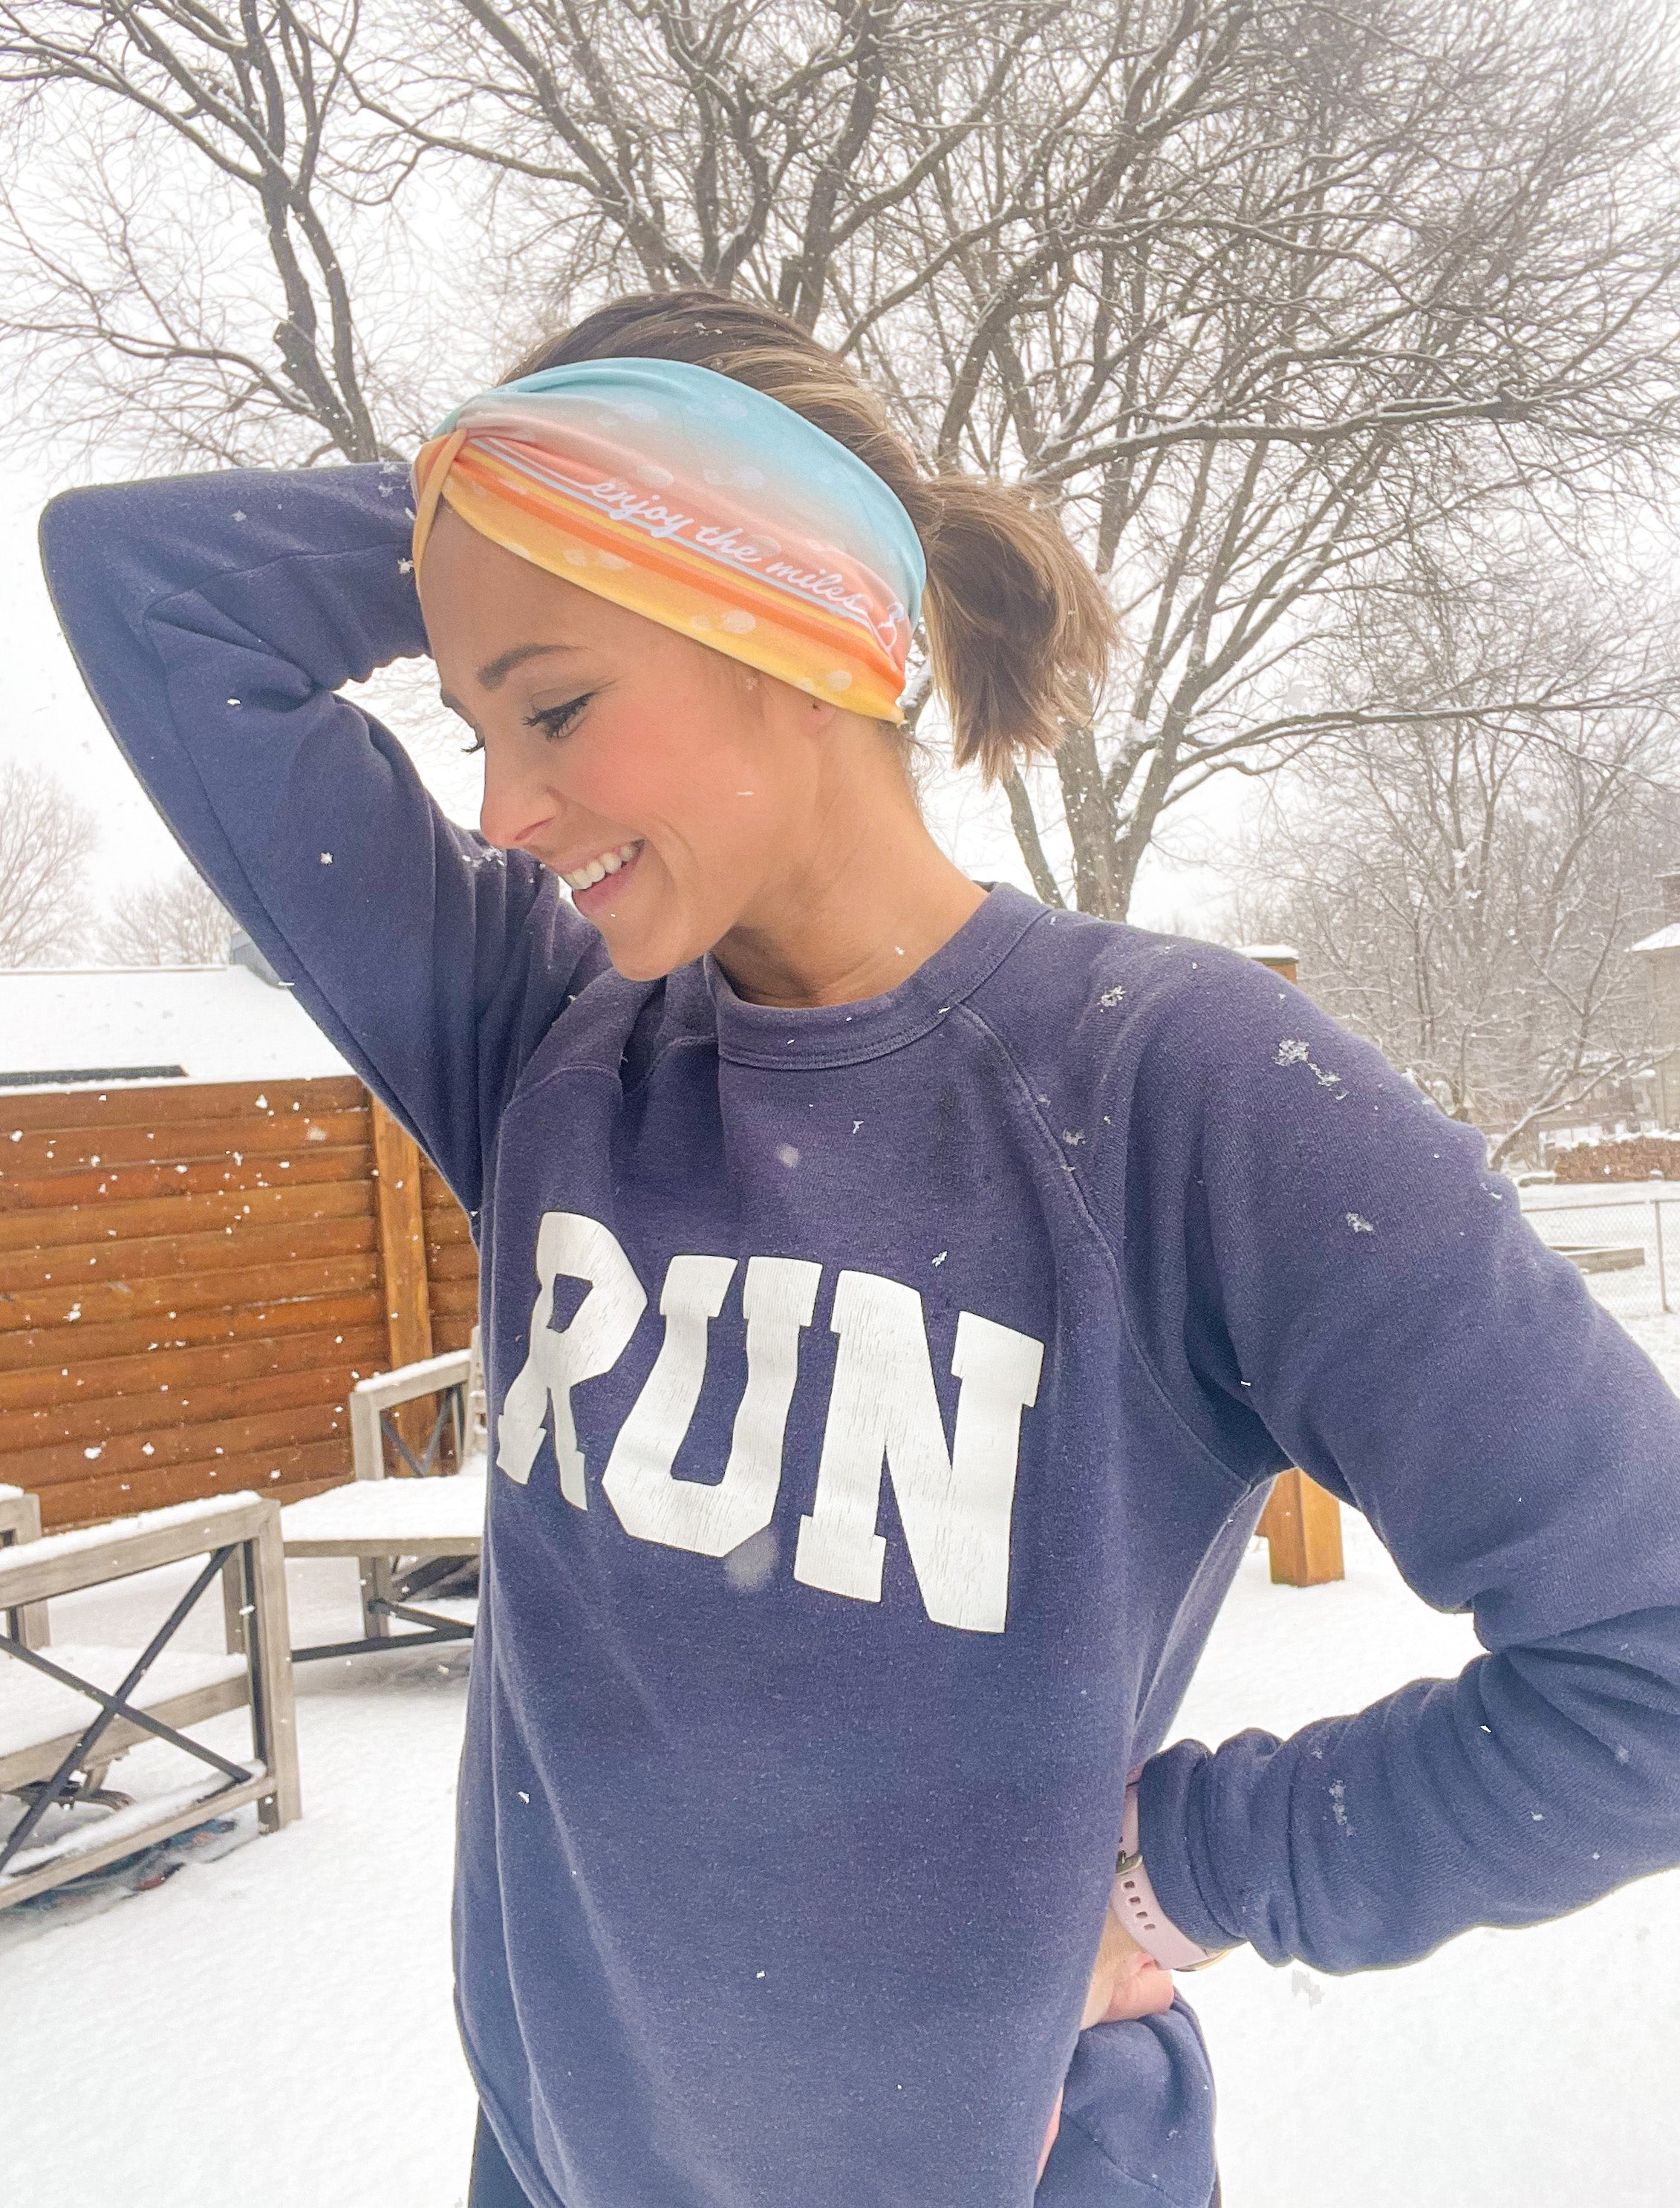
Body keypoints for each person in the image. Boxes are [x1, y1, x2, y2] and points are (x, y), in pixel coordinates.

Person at [39, 290, 1680, 2208]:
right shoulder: (536, 1045)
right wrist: (502, 525)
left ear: (794, 628)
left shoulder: (1179, 1089)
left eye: (554, 707)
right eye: (474, 724)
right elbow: (143, 582)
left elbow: (1647, 1653)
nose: (501, 805)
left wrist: (1195, 1869)